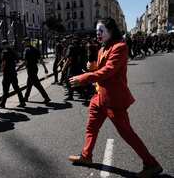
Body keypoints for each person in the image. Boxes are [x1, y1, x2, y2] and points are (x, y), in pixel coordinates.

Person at [68, 18, 162, 177]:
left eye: (101, 31)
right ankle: (86, 156)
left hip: (113, 99)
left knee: (126, 133)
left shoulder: (120, 47)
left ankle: (151, 164)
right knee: (91, 127)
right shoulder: (102, 48)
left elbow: (108, 71)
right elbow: (100, 69)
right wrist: (92, 68)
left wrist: (85, 77)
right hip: (99, 96)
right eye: (97, 31)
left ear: (111, 31)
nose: (98, 34)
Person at [18, 37, 51, 103]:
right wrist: (45, 68)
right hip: (35, 68)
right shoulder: (35, 49)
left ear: (27, 42)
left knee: (37, 84)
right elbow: (41, 59)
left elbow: (26, 62)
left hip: (30, 69)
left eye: (24, 42)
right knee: (29, 83)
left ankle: (46, 97)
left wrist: (19, 67)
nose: (24, 44)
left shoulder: (27, 50)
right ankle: (26, 97)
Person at [0, 40, 26, 108]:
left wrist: (2, 69)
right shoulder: (12, 51)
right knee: (16, 88)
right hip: (13, 72)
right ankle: (22, 101)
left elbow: (4, 62)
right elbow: (17, 60)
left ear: (4, 45)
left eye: (3, 45)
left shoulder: (4, 52)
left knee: (5, 88)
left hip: (7, 73)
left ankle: (2, 103)